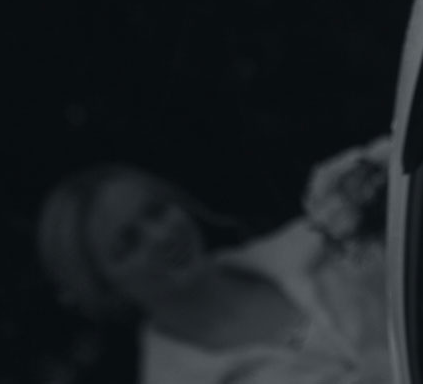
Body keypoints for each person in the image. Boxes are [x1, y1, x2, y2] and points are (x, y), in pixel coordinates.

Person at [38, 147, 391, 384]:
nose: (160, 236)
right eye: (128, 243)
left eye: (157, 210)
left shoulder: (315, 236)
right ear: (105, 286)